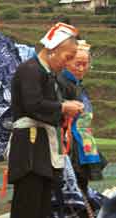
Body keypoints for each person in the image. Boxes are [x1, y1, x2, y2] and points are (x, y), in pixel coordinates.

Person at [7, 22, 84, 218]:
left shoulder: (49, 75)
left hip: (44, 147)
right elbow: (33, 105)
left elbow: (50, 104)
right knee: (28, 204)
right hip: (30, 147)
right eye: (67, 57)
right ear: (53, 50)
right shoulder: (30, 70)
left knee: (43, 206)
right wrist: (63, 107)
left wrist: (65, 108)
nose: (67, 63)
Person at [57, 40, 105, 217]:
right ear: (66, 62)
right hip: (71, 147)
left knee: (82, 188)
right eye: (78, 64)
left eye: (86, 64)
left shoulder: (77, 84)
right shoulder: (61, 82)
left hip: (84, 145)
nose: (82, 68)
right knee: (75, 193)